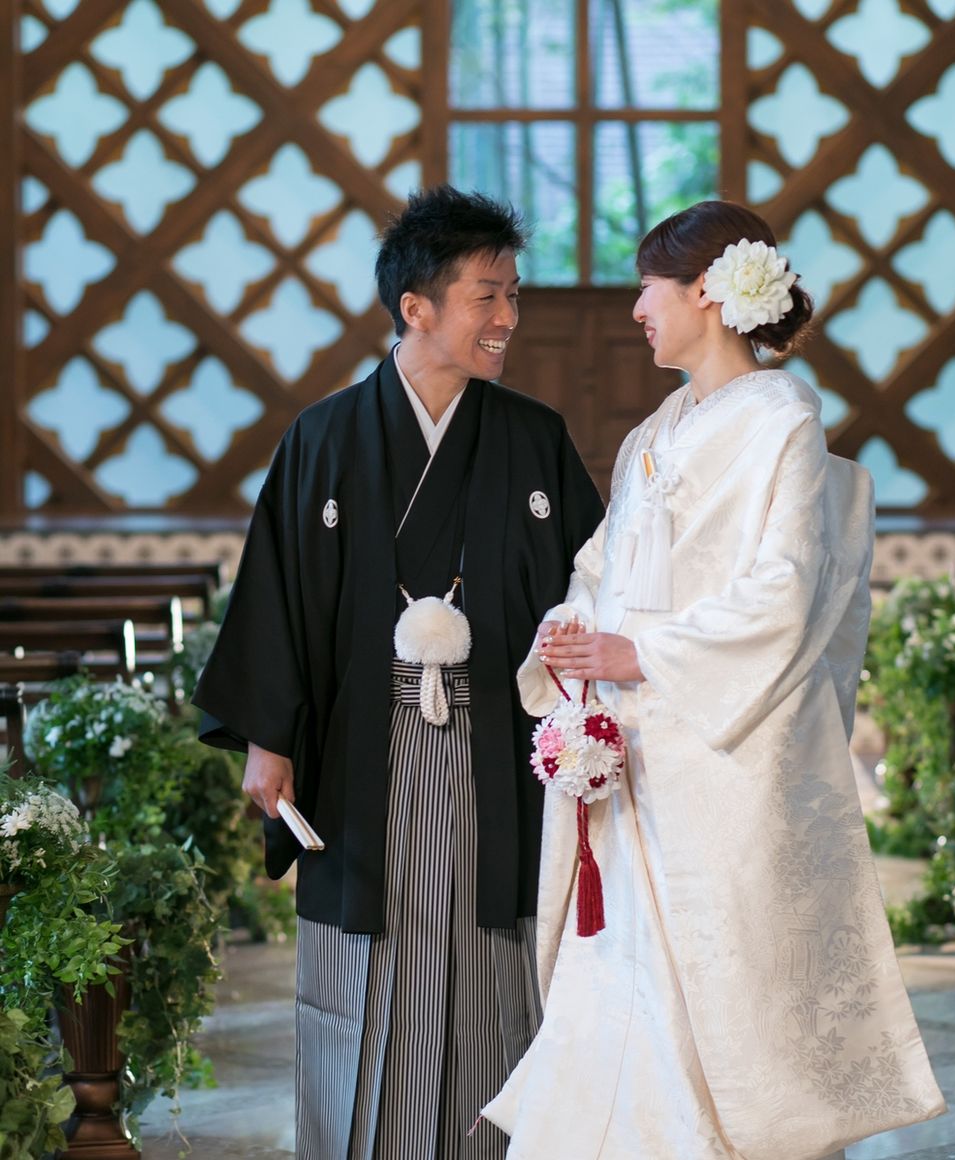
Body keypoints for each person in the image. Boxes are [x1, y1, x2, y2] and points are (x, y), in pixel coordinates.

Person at [481, 200, 945, 1158]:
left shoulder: (782, 420)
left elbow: (784, 589)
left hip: (712, 754)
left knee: (713, 991)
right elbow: (599, 568)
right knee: (622, 983)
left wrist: (642, 651)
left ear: (705, 290)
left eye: (649, 286)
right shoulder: (655, 430)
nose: (636, 309)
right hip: (632, 747)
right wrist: (573, 630)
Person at [193, 185, 604, 1160]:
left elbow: (592, 589)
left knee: (494, 961)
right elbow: (280, 595)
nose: (508, 317)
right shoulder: (324, 437)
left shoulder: (533, 437)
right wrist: (267, 739)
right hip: (361, 750)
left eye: (512, 295)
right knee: (364, 970)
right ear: (415, 306)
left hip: (501, 748)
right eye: (486, 296)